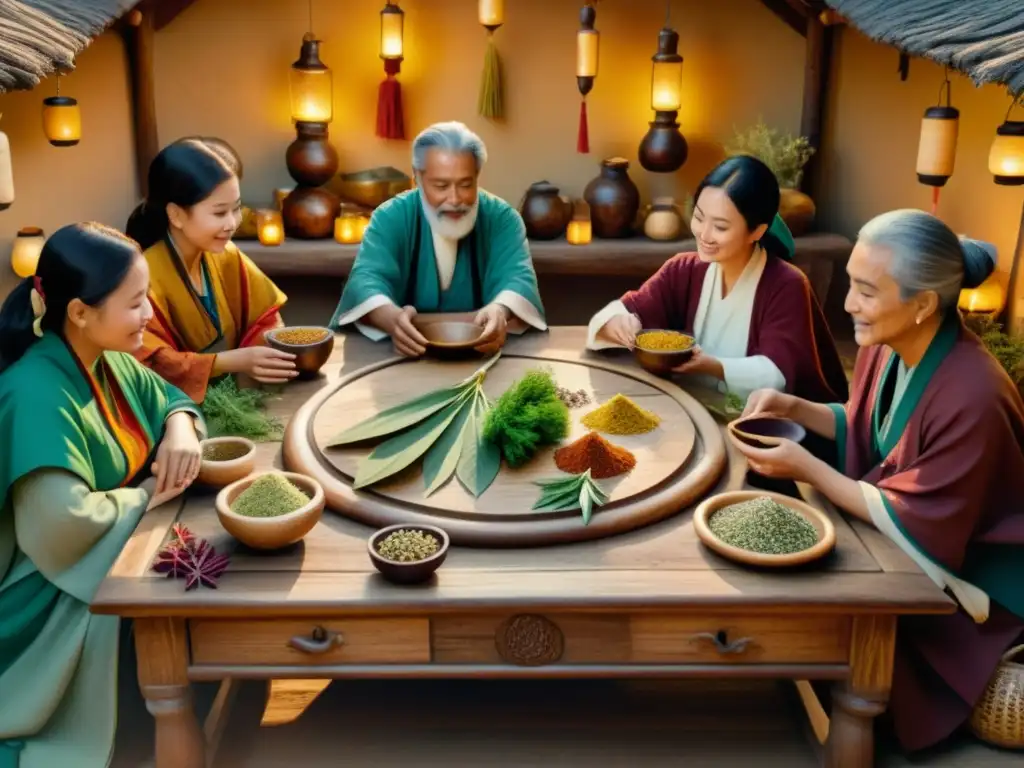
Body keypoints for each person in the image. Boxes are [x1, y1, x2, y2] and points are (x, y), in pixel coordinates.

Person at [735, 209, 1024, 752]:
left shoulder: (975, 395)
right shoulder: (883, 343)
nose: (847, 305)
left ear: (922, 305)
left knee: (829, 614)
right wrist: (795, 405)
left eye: (866, 292)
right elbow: (870, 426)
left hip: (973, 576)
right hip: (919, 528)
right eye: (850, 284)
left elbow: (926, 519)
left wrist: (806, 466)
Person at [0, 223, 205, 767]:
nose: (149, 316)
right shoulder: (36, 391)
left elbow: (168, 398)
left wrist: (182, 426)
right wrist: (146, 496)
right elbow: (61, 523)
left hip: (109, 552)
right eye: (136, 304)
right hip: (46, 589)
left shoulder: (105, 357)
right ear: (80, 312)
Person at [587, 155, 848, 404]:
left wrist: (714, 366)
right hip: (692, 408)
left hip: (757, 424)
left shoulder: (786, 284)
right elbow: (628, 309)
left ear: (757, 230)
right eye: (699, 218)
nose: (705, 234)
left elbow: (778, 374)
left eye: (721, 227)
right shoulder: (683, 268)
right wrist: (617, 323)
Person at [329, 121, 547, 357]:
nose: (454, 199)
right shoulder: (390, 217)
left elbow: (518, 278)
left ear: (477, 176)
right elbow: (366, 279)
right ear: (417, 179)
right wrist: (393, 321)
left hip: (483, 357)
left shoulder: (501, 218)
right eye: (441, 186)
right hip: (402, 357)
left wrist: (500, 310)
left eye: (465, 184)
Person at [125, 138, 295, 403]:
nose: (232, 223)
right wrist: (226, 362)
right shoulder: (144, 277)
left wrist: (257, 361)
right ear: (176, 215)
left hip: (237, 399)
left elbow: (264, 317)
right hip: (174, 411)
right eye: (219, 213)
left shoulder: (227, 256)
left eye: (236, 209)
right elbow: (148, 362)